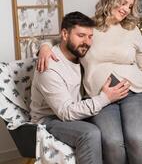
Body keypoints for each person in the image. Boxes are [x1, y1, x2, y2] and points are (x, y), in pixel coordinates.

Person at [37, 0, 142, 164]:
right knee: (112, 142)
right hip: (100, 98)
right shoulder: (89, 28)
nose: (126, 9)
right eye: (123, 3)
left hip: (135, 93)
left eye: (130, 5)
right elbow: (62, 40)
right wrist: (44, 47)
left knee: (136, 139)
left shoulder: (132, 30)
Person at [30, 11, 130, 164]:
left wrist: (44, 45)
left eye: (90, 37)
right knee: (90, 133)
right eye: (81, 35)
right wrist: (105, 98)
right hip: (50, 119)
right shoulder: (49, 66)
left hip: (75, 110)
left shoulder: (80, 54)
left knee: (113, 128)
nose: (87, 42)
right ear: (65, 34)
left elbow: (51, 40)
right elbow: (66, 112)